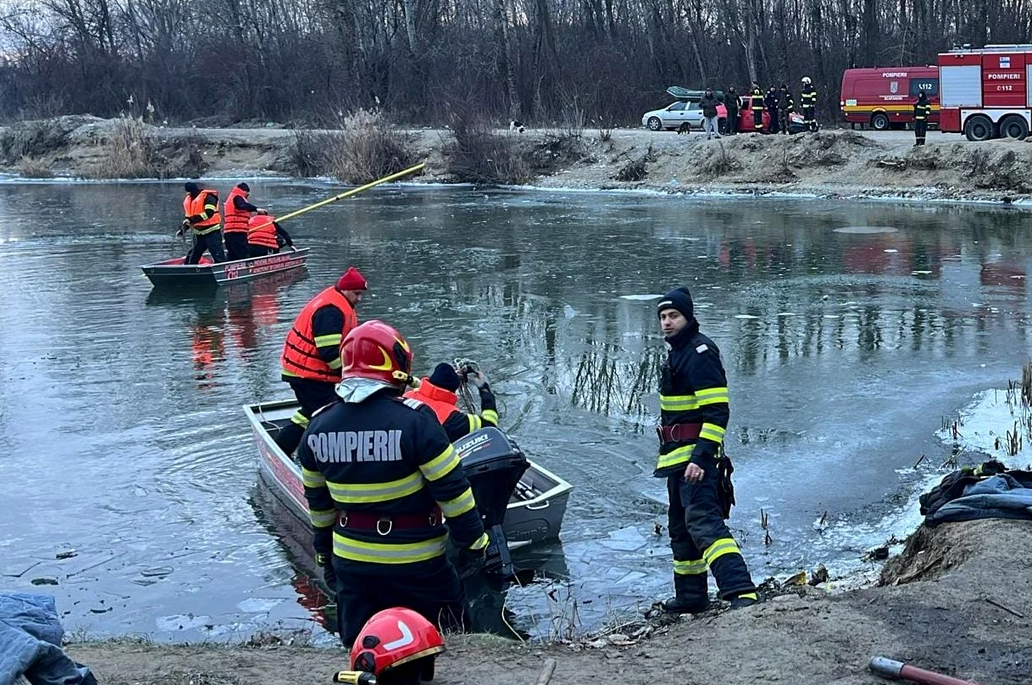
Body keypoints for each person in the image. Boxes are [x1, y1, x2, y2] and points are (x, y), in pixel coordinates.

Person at [298, 320, 489, 647]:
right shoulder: (417, 422)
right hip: (418, 564)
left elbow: (319, 509)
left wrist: (323, 556)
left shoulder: (316, 428)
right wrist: (474, 545)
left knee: (361, 646)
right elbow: (454, 494)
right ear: (397, 367)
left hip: (352, 564)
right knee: (449, 638)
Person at [655, 286, 757, 614]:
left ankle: (741, 592)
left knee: (704, 525)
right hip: (676, 459)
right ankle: (691, 597)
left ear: (688, 317)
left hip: (695, 460)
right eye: (663, 317)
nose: (667, 322)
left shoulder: (700, 352)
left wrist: (700, 457)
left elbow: (717, 412)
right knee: (681, 530)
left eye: (674, 316)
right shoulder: (679, 352)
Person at [276, 266, 367, 456]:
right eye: (356, 294)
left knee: (311, 412)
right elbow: (329, 353)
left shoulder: (335, 301)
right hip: (307, 374)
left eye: (361, 294)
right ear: (345, 290)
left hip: (303, 371)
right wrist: (348, 374)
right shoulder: (331, 311)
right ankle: (319, 455)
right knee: (331, 416)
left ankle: (282, 449)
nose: (359, 299)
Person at [403, 363, 499, 441]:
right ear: (454, 390)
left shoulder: (407, 396)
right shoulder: (454, 418)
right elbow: (490, 427)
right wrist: (485, 390)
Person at [179, 182, 225, 264]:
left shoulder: (209, 197)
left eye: (189, 191)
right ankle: (189, 269)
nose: (188, 194)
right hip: (198, 233)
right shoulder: (189, 200)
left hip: (212, 231)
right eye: (187, 192)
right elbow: (188, 218)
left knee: (217, 253)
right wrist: (183, 229)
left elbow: (208, 213)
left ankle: (220, 269)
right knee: (193, 255)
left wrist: (191, 220)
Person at [222, 182, 266, 261]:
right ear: (245, 191)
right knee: (243, 253)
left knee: (233, 254)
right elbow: (242, 205)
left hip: (228, 231)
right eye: (247, 194)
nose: (247, 196)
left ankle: (231, 270)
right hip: (237, 231)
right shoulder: (238, 197)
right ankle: (247, 270)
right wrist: (256, 209)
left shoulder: (230, 197)